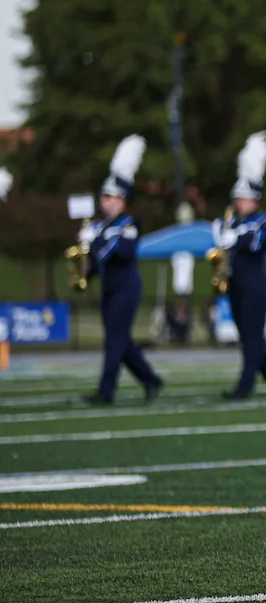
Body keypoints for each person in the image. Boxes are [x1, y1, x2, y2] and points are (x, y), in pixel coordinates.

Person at [83, 136, 163, 405]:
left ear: (121, 199)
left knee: (115, 342)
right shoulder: (99, 226)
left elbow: (120, 252)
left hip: (127, 289)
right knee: (121, 342)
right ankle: (151, 379)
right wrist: (83, 268)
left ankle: (106, 391)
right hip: (109, 287)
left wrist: (93, 242)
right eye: (103, 197)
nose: (104, 201)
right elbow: (95, 262)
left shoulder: (129, 224)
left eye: (109, 197)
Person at [216, 131, 266, 400]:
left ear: (255, 199)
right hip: (236, 285)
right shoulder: (230, 222)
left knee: (252, 338)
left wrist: (238, 238)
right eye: (237, 198)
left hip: (256, 287)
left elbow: (264, 240)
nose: (238, 202)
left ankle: (244, 387)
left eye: (244, 198)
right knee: (250, 338)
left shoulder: (263, 220)